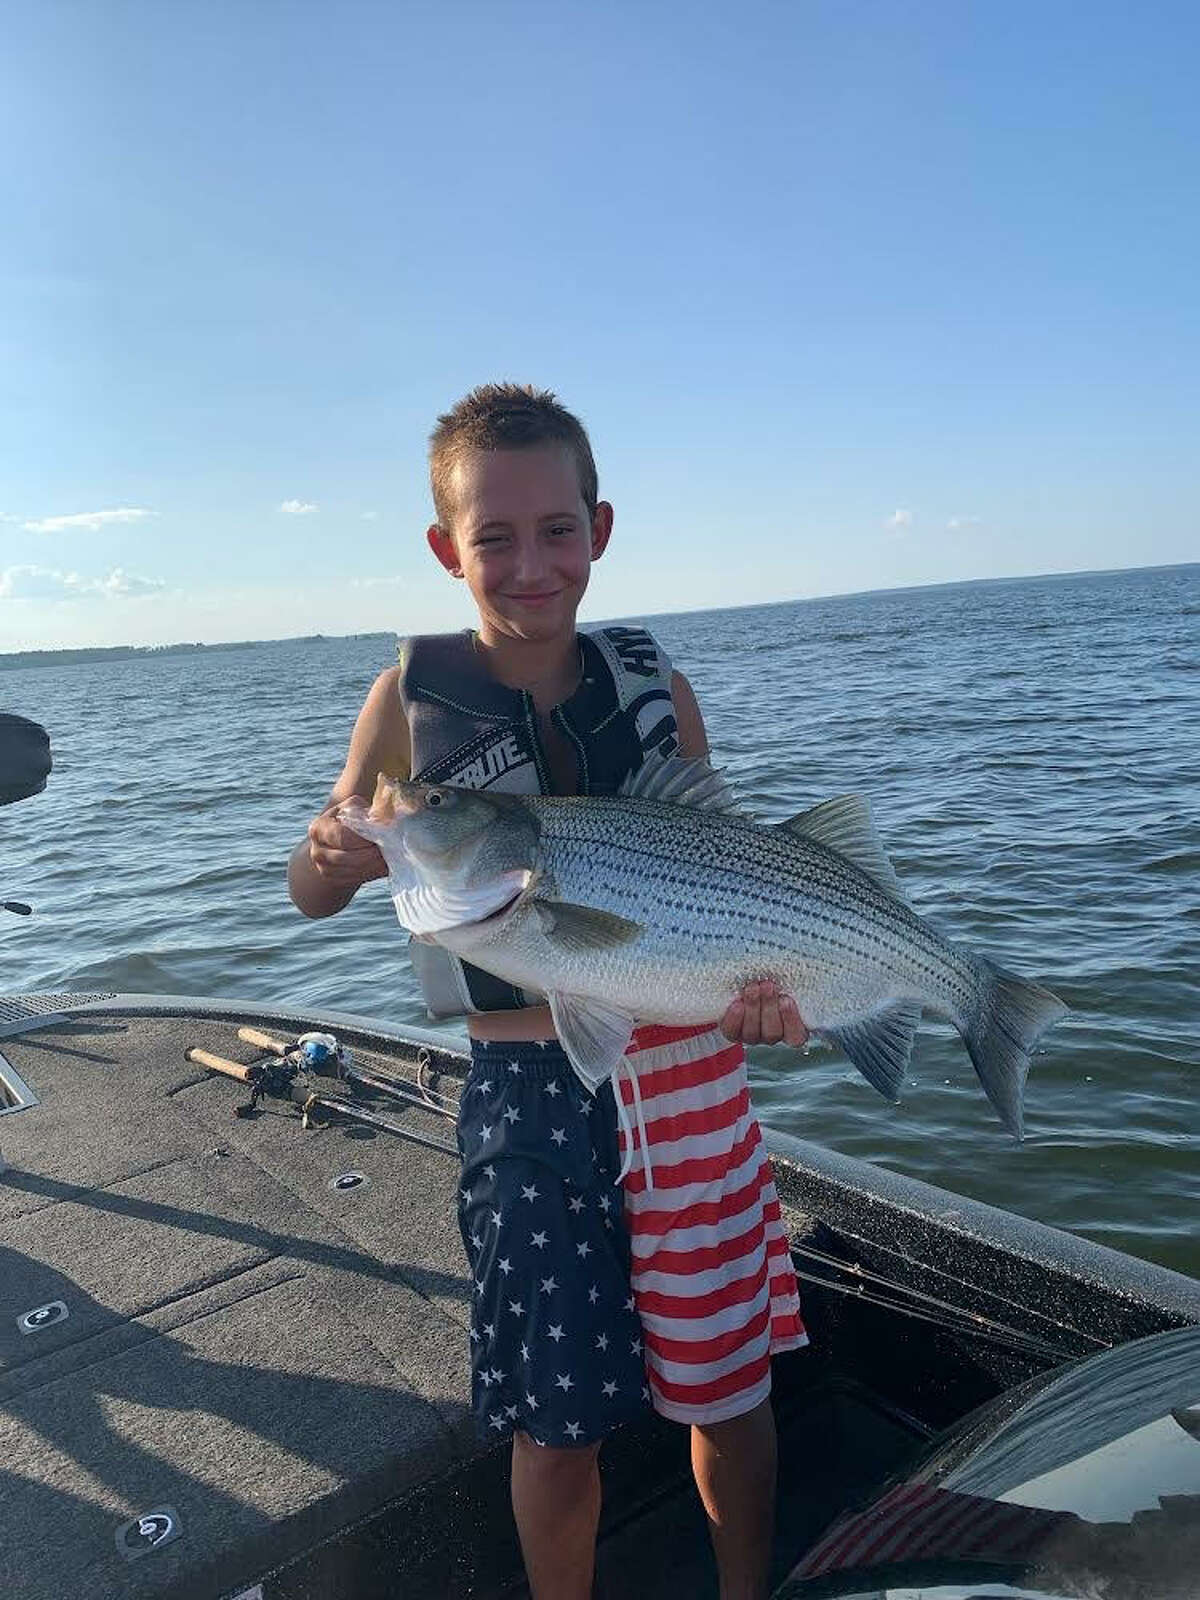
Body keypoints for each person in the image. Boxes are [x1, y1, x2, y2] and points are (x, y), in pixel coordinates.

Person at [289, 384, 809, 1600]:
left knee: (727, 1393)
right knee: (554, 1420)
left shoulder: (655, 685)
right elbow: (318, 881)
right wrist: (324, 860)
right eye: (495, 538)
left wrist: (766, 991)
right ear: (445, 550)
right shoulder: (405, 702)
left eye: (557, 530)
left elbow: (720, 878)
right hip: (525, 1086)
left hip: (688, 1078)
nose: (532, 564)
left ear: (600, 528)